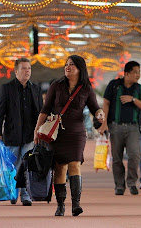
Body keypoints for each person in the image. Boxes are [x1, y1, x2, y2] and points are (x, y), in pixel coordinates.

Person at [34, 55, 105, 217]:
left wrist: (100, 115)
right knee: (59, 168)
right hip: (57, 133)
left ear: (80, 68)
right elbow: (45, 109)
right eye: (66, 64)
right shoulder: (56, 86)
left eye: (72, 65)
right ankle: (60, 205)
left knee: (75, 165)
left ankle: (76, 204)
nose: (68, 67)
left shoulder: (86, 88)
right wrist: (37, 130)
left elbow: (95, 108)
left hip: (77, 132)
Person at [0, 58, 43, 206]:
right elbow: (0, 112)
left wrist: (41, 131)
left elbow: (41, 112)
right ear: (16, 71)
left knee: (27, 165)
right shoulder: (7, 88)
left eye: (28, 68)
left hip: (30, 135)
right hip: (12, 134)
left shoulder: (35, 89)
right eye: (23, 68)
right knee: (12, 166)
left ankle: (26, 195)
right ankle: (13, 192)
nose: (27, 71)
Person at [98, 61, 141, 196]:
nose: (138, 75)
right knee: (117, 158)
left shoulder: (138, 88)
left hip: (133, 128)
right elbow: (106, 104)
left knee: (134, 155)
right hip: (115, 126)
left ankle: (132, 182)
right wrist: (104, 123)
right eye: (135, 72)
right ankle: (119, 185)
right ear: (126, 73)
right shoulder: (114, 85)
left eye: (139, 72)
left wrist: (133, 100)